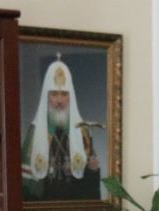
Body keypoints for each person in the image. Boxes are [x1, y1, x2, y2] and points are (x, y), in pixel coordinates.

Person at [20, 56, 101, 202]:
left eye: (64, 94)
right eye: (54, 94)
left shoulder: (82, 131)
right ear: (47, 97)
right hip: (43, 205)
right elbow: (25, 184)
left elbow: (90, 185)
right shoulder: (35, 132)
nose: (59, 101)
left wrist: (93, 170)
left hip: (73, 205)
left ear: (70, 97)